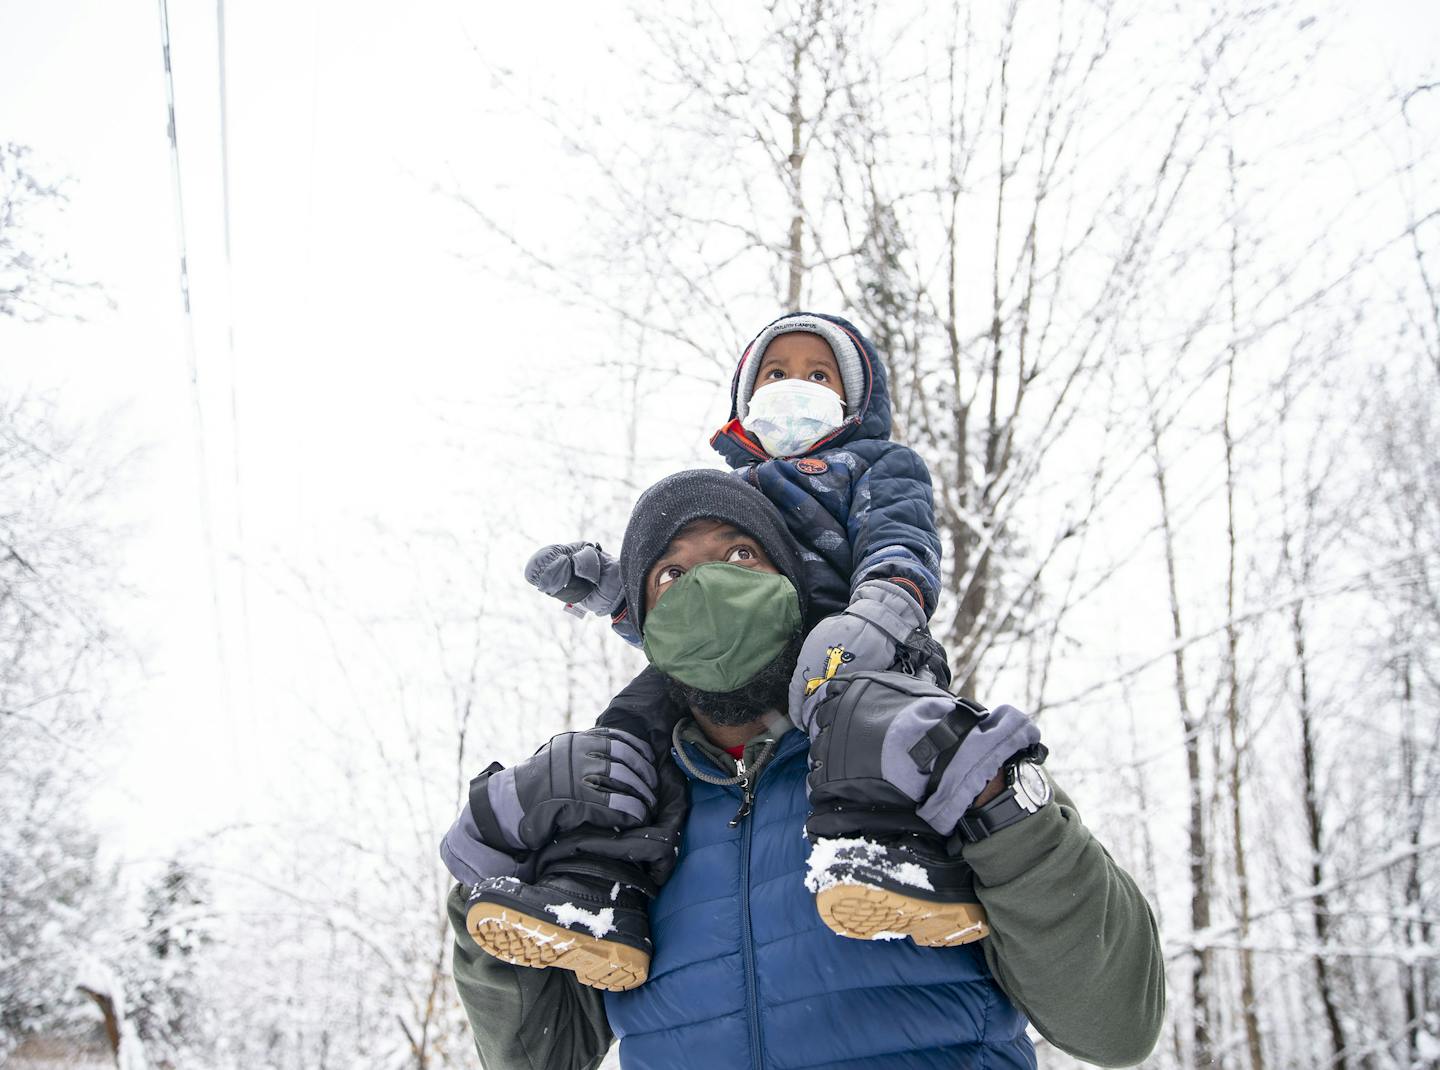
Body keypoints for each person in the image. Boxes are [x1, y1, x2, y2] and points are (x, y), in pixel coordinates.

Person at [441, 469, 1165, 1070]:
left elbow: (1114, 1022)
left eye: (741, 556)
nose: (709, 587)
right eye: (672, 573)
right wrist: (498, 860)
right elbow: (539, 1058)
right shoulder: (622, 827)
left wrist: (1000, 799)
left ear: (791, 582)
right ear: (643, 625)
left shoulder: (915, 757)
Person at [484, 313, 995, 972]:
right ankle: (598, 889)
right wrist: (613, 591)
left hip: (863, 649)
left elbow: (901, 542)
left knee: (862, 719)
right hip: (757, 661)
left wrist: (878, 614)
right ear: (745, 404)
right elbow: (703, 614)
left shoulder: (877, 465)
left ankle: (888, 857)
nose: (794, 387)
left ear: (855, 400)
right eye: (775, 375)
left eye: (818, 375)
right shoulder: (735, 492)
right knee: (633, 726)